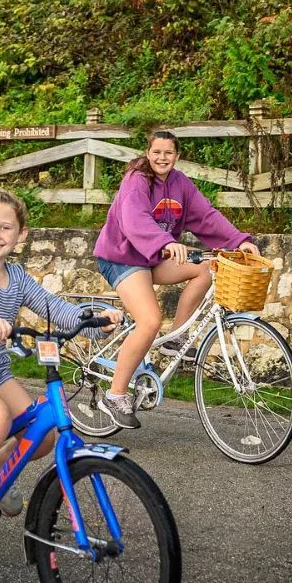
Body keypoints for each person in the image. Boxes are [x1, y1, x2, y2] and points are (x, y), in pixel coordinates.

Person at [0, 187, 121, 554]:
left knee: (43, 433)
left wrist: (95, 322)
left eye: (5, 228)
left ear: (21, 234)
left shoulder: (17, 277)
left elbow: (54, 309)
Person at [93, 128, 258, 430]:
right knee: (149, 320)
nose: (162, 157)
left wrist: (238, 241)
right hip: (121, 257)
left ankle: (177, 337)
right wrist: (165, 243)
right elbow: (134, 220)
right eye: (156, 151)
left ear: (177, 156)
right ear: (148, 153)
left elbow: (206, 216)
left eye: (168, 152)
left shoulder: (180, 184)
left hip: (153, 256)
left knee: (208, 266)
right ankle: (115, 395)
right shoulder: (137, 180)